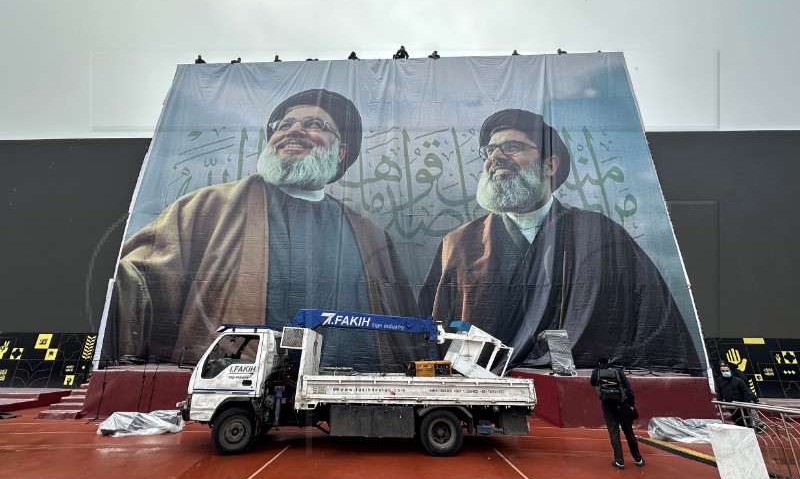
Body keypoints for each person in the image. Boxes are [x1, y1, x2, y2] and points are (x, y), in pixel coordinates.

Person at [105, 89, 425, 372]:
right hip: (237, 384)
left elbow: (402, 326)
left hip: (351, 389)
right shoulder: (206, 207)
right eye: (284, 125)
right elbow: (139, 279)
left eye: (314, 124)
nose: (294, 131)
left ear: (341, 151)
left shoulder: (370, 236)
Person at [420, 108, 701, 374]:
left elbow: (650, 321)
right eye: (490, 150)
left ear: (550, 165)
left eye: (512, 147)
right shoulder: (459, 243)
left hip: (582, 394)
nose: (495, 158)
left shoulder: (600, 235)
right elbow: (434, 327)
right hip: (483, 394)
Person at [590, 355, 644, 469]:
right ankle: (638, 458)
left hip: (607, 405)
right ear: (609, 361)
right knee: (629, 432)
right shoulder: (618, 371)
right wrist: (631, 405)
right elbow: (629, 389)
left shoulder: (596, 372)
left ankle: (619, 460)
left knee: (614, 433)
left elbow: (592, 382)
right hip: (622, 404)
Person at [716, 361, 758, 427]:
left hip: (742, 403)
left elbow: (745, 392)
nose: (725, 372)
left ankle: (756, 426)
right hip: (730, 404)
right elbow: (719, 393)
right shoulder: (719, 381)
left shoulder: (738, 380)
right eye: (723, 371)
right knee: (736, 420)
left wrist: (747, 404)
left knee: (747, 418)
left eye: (726, 370)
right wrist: (720, 403)